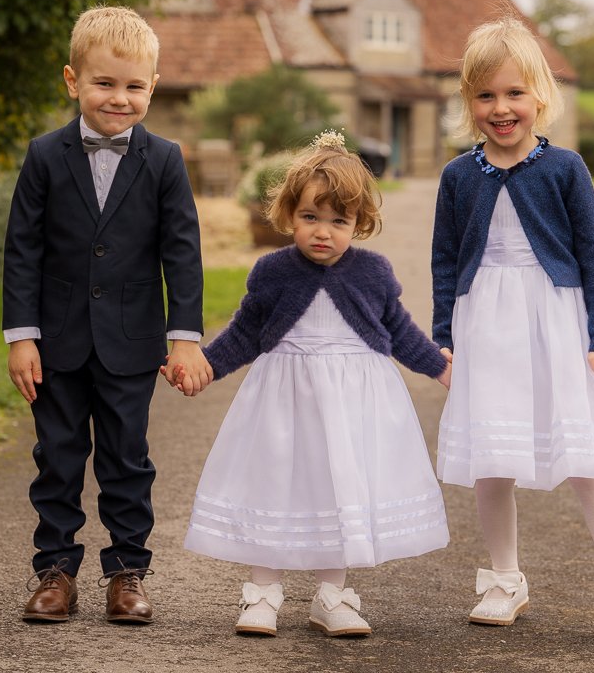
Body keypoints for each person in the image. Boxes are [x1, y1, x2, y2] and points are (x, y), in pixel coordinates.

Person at [431, 16, 594, 650]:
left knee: (587, 458)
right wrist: (444, 337)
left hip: (557, 320)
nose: (501, 108)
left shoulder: (566, 168)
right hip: (485, 323)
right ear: (468, 101)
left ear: (540, 95)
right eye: (486, 95)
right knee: (493, 460)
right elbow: (444, 260)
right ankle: (504, 579)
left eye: (514, 93)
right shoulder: (458, 176)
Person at [167, 131, 452, 638]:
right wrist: (204, 367)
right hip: (283, 399)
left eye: (339, 221)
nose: (323, 232)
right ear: (289, 215)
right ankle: (262, 592)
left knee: (340, 487)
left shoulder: (373, 272)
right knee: (273, 483)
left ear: (359, 223)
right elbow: (245, 332)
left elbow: (399, 330)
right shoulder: (272, 271)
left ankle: (331, 595)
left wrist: (439, 367)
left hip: (352, 403)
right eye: (310, 217)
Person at [3, 4, 211, 624]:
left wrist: (184, 338)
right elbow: (22, 249)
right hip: (56, 340)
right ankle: (55, 572)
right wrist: (22, 337)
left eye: (134, 86)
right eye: (104, 83)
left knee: (126, 458)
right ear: (73, 81)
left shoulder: (165, 159)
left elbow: (183, 251)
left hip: (132, 340)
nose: (119, 99)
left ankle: (126, 572)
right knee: (57, 457)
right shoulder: (45, 155)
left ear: (153, 86)